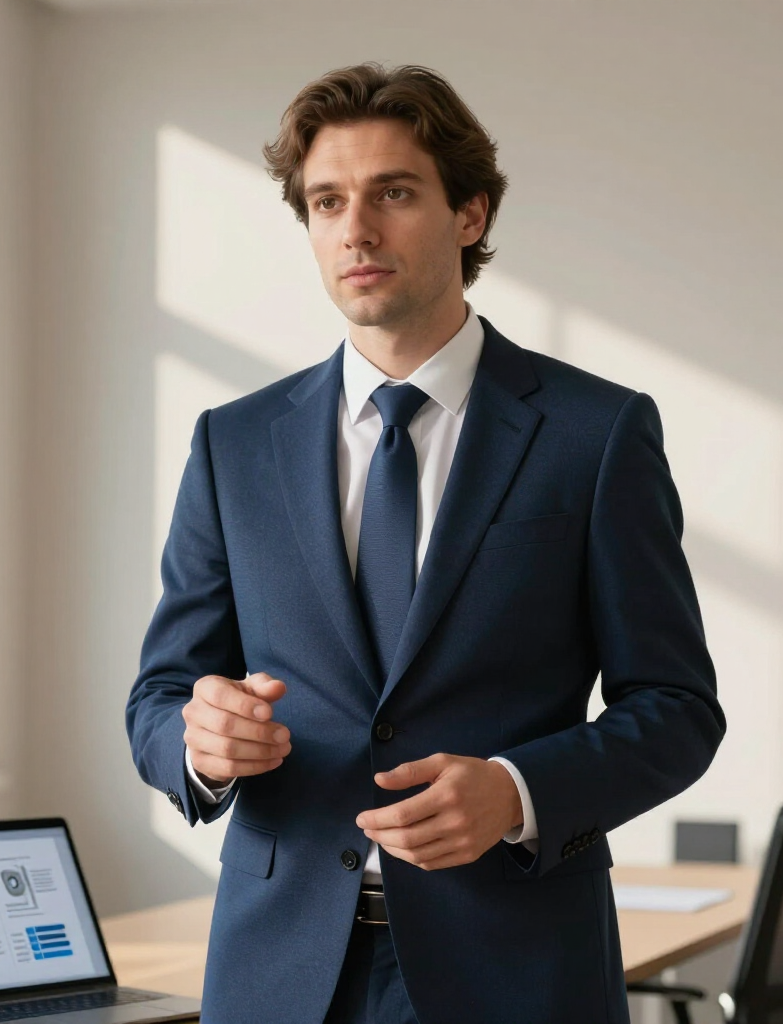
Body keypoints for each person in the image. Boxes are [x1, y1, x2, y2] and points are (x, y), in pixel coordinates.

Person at [126, 63, 724, 1024]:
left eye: (393, 193)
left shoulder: (594, 433)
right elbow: (160, 697)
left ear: (470, 214)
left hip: (516, 971)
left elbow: (678, 707)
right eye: (327, 202)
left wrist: (518, 791)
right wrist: (199, 745)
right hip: (278, 974)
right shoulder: (233, 444)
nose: (356, 228)